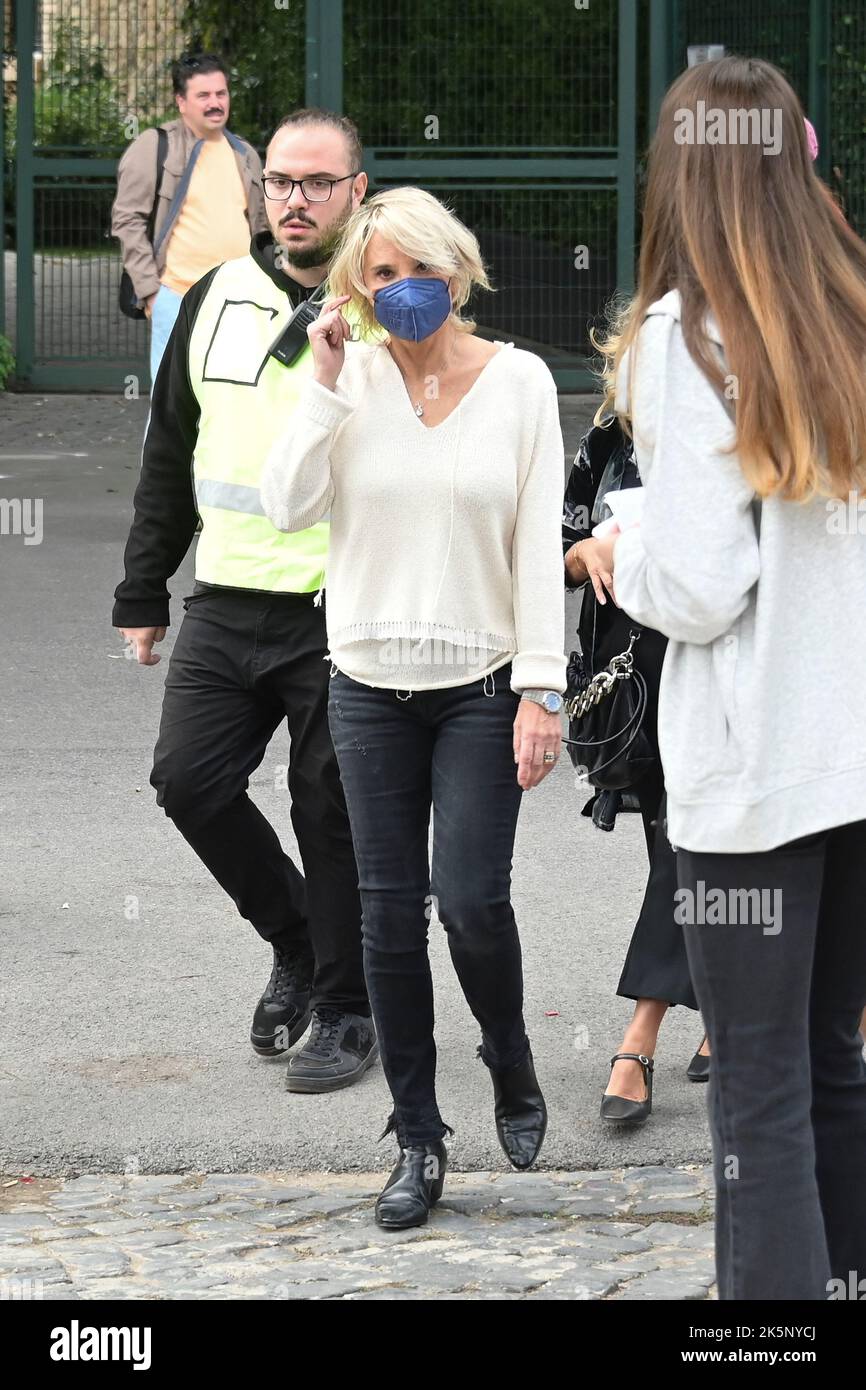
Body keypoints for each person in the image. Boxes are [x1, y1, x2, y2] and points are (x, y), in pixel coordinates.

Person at [591, 56, 866, 1299]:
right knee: (828, 1072)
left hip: (753, 769)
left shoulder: (683, 335)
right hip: (851, 754)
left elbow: (699, 586)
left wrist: (619, 542)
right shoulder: (847, 308)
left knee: (755, 1097)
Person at [262, 187, 567, 1230]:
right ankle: (419, 1136)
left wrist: (541, 688)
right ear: (356, 285)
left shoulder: (519, 382)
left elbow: (536, 542)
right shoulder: (346, 386)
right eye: (378, 275)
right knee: (389, 918)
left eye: (414, 270)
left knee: (472, 901)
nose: (399, 292)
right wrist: (325, 385)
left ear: (456, 268)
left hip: (481, 685)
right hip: (366, 685)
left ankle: (510, 1054)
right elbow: (285, 506)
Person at [112, 108, 375, 1095]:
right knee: (189, 783)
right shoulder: (216, 294)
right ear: (261, 192)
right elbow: (170, 452)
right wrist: (141, 591)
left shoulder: (387, 297)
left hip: (340, 604)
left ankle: (349, 1007)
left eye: (317, 182)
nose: (295, 200)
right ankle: (300, 940)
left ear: (356, 189)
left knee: (331, 808)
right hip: (225, 598)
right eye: (281, 183)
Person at [563, 419, 709, 1124]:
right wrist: (587, 550)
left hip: (708, 664)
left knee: (683, 846)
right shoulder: (605, 442)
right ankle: (724, 1004)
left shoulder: (731, 426)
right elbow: (556, 550)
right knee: (669, 845)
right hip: (628, 679)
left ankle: (639, 1035)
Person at [111, 52, 268, 386]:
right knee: (172, 411)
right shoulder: (155, 146)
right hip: (177, 296)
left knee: (233, 399)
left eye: (221, 94)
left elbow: (262, 225)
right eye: (204, 96)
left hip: (239, 300)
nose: (215, 103)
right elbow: (127, 220)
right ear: (181, 102)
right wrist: (151, 292)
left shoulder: (245, 153)